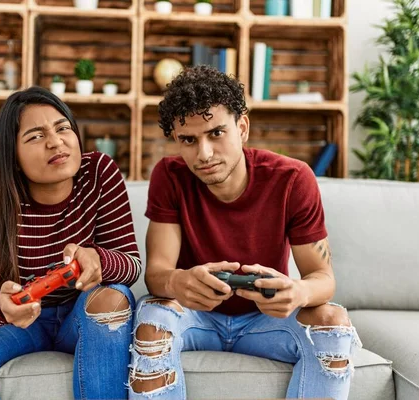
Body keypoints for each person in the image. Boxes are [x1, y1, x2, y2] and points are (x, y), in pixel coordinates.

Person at [128, 66, 361, 400]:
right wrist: (179, 282)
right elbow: (157, 274)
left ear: (242, 127)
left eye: (216, 133)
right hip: (197, 318)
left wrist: (296, 292)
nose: (204, 154)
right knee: (152, 316)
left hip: (266, 321)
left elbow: (322, 278)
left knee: (334, 322)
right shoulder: (170, 175)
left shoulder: (293, 179)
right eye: (189, 140)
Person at [0, 86, 141, 399]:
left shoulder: (99, 173)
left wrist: (98, 259)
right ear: (13, 156)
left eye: (63, 128)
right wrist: (1, 307)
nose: (56, 141)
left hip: (82, 317)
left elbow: (131, 265)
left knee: (112, 298)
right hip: (18, 324)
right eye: (36, 136)